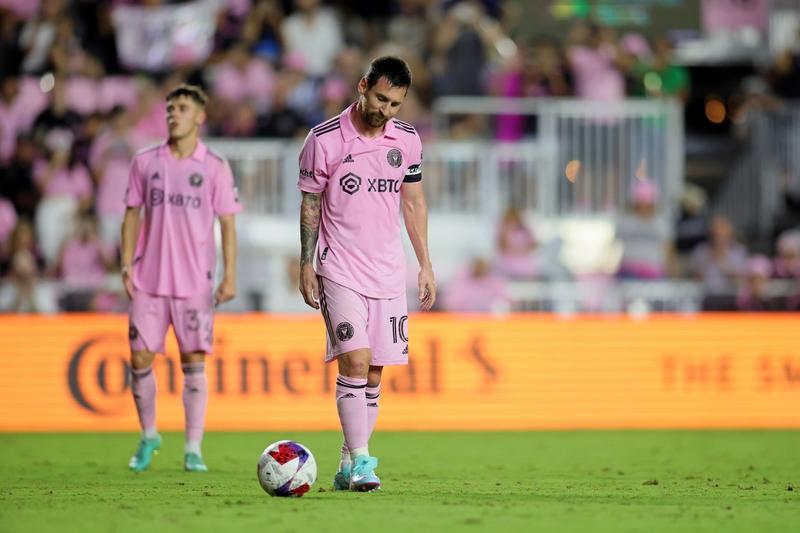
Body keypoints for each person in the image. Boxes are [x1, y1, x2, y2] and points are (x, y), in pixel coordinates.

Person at [297, 56, 435, 492]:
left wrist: (425, 263)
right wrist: (306, 261)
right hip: (339, 268)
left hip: (388, 273)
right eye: (380, 98)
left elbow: (412, 203)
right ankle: (362, 463)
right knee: (354, 360)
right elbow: (311, 204)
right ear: (362, 86)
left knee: (374, 373)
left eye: (396, 104)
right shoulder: (324, 140)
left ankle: (345, 460)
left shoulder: (407, 141)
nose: (386, 110)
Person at [120, 84, 241, 473]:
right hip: (148, 280)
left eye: (183, 108)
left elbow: (228, 222)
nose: (174, 114)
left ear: (200, 117)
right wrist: (126, 264)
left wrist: (229, 275)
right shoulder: (145, 161)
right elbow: (131, 213)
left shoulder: (214, 166)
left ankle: (193, 448)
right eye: (170, 108)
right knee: (139, 357)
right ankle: (149, 434)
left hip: (194, 284)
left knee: (193, 363)